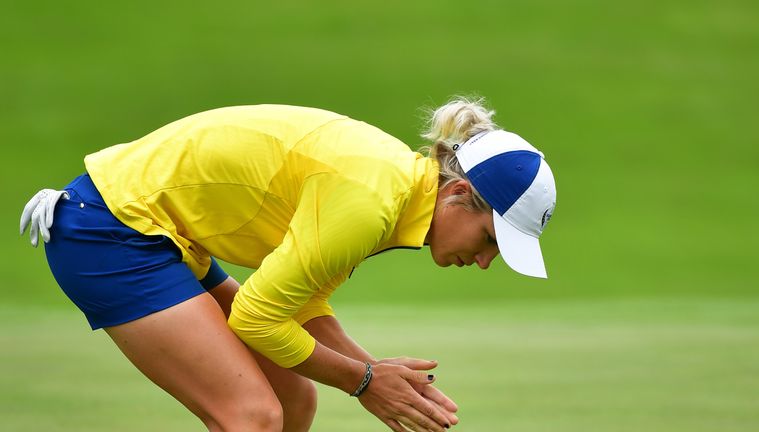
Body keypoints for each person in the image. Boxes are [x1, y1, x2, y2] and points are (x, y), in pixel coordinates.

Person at [20, 97, 556, 432]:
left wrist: (378, 376)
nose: (486, 262)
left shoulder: (393, 192)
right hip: (111, 228)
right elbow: (255, 318)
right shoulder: (370, 201)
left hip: (157, 232)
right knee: (251, 417)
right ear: (459, 194)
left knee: (292, 399)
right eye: (491, 240)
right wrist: (366, 381)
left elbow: (299, 301)